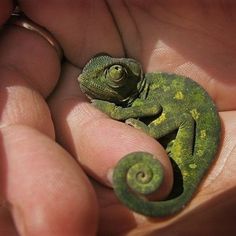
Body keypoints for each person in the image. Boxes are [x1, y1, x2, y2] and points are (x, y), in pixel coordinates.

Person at [0, 1, 235, 235]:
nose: (88, 78)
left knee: (179, 122)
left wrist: (124, 116)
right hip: (187, 145)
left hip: (192, 145)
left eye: (116, 74)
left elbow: (157, 110)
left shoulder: (147, 92)